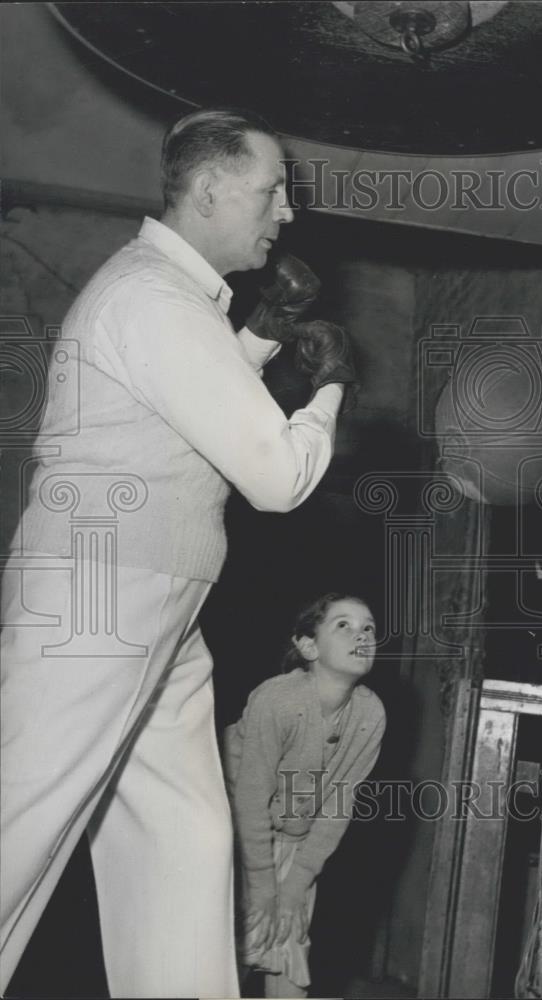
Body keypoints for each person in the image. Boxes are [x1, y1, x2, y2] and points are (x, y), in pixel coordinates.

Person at [0, 108, 358, 998]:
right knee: (20, 819)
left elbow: (178, 406)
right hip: (103, 591)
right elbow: (276, 477)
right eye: (271, 190)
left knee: (185, 836)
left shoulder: (167, 296)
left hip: (151, 591)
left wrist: (264, 332)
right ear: (207, 191)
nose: (287, 210)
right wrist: (329, 390)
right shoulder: (154, 297)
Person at [224, 593, 386, 998]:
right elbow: (250, 800)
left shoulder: (370, 715)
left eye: (369, 628)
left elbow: (337, 809)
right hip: (232, 829)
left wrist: (295, 886)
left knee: (289, 936)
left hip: (293, 838)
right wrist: (263, 887)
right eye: (343, 625)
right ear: (308, 646)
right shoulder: (278, 699)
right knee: (234, 947)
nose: (362, 635)